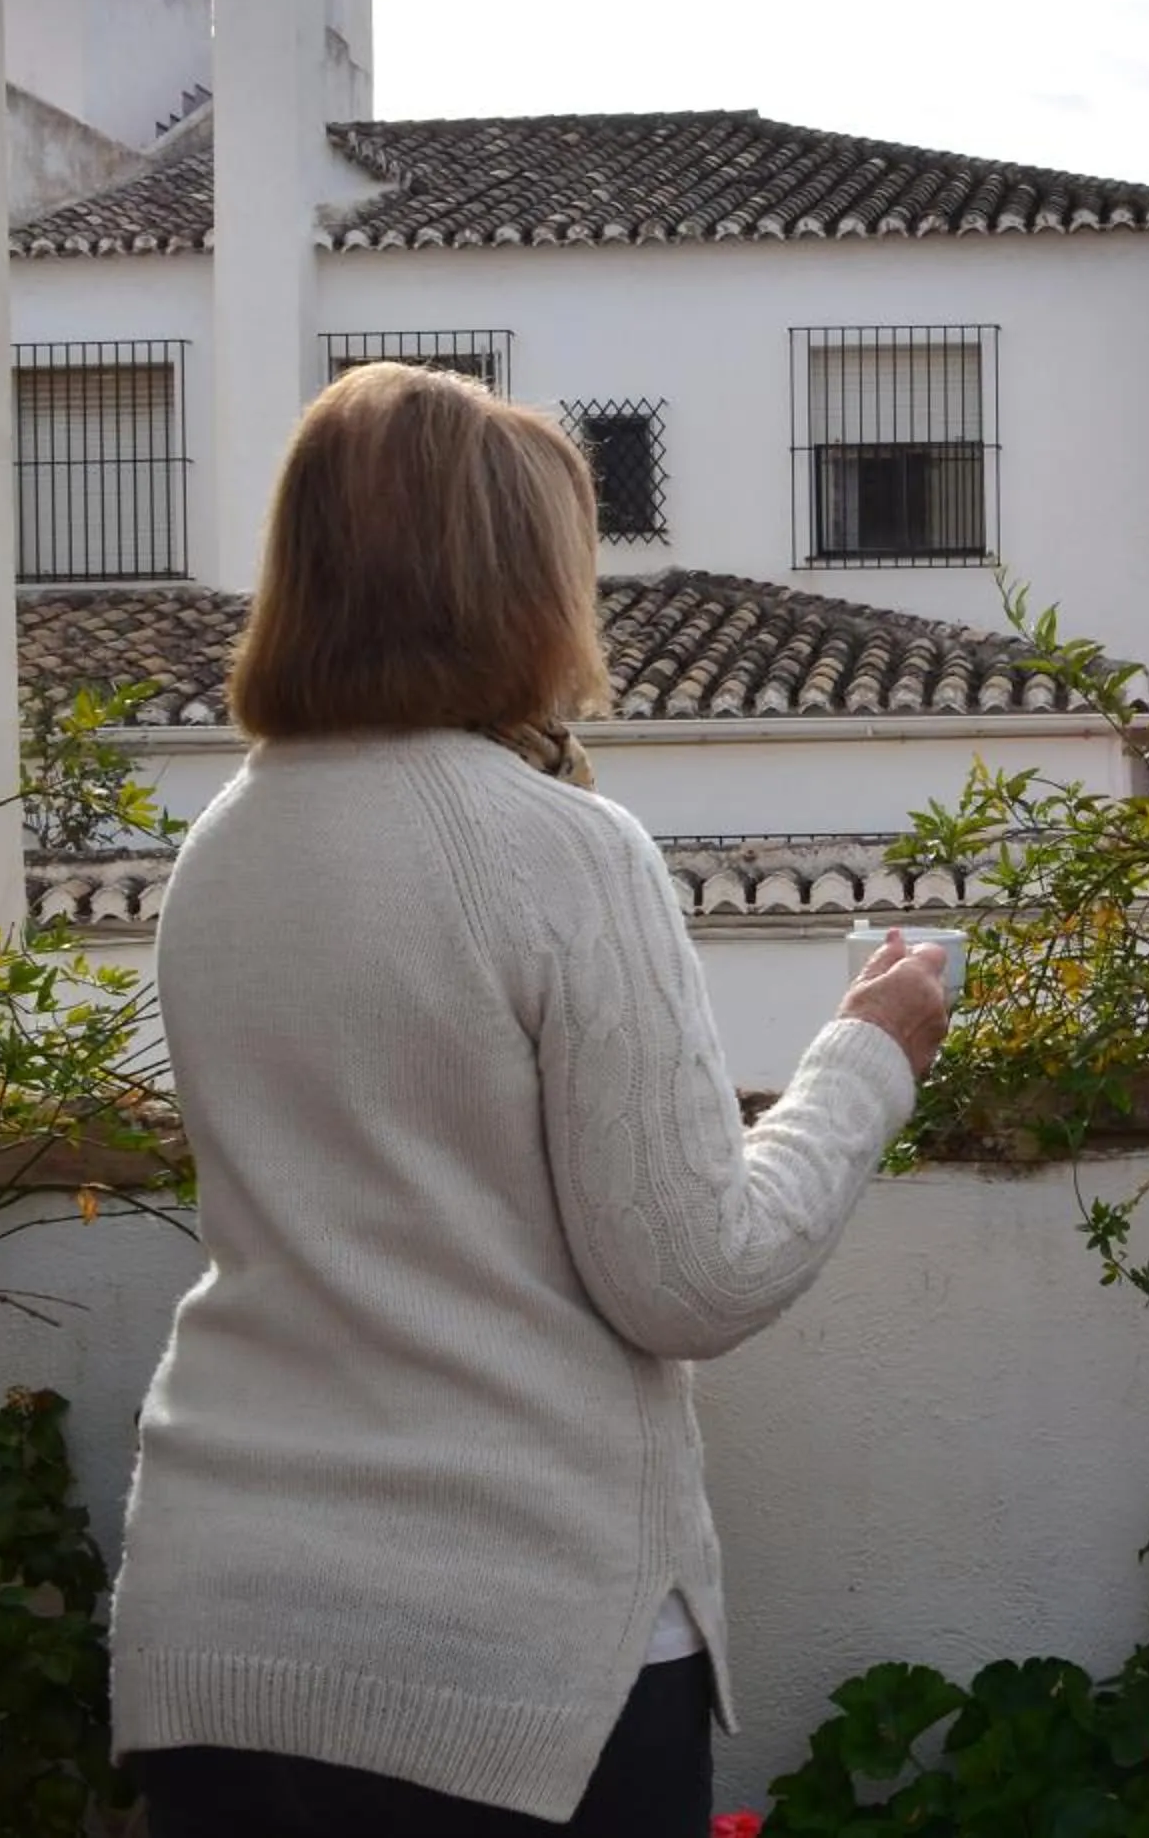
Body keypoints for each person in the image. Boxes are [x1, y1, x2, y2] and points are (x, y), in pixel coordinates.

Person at [113, 363, 951, 1835]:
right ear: (517, 587)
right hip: (512, 1674)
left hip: (218, 1635)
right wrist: (872, 1050)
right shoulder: (561, 848)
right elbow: (697, 1274)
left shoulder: (219, 853)